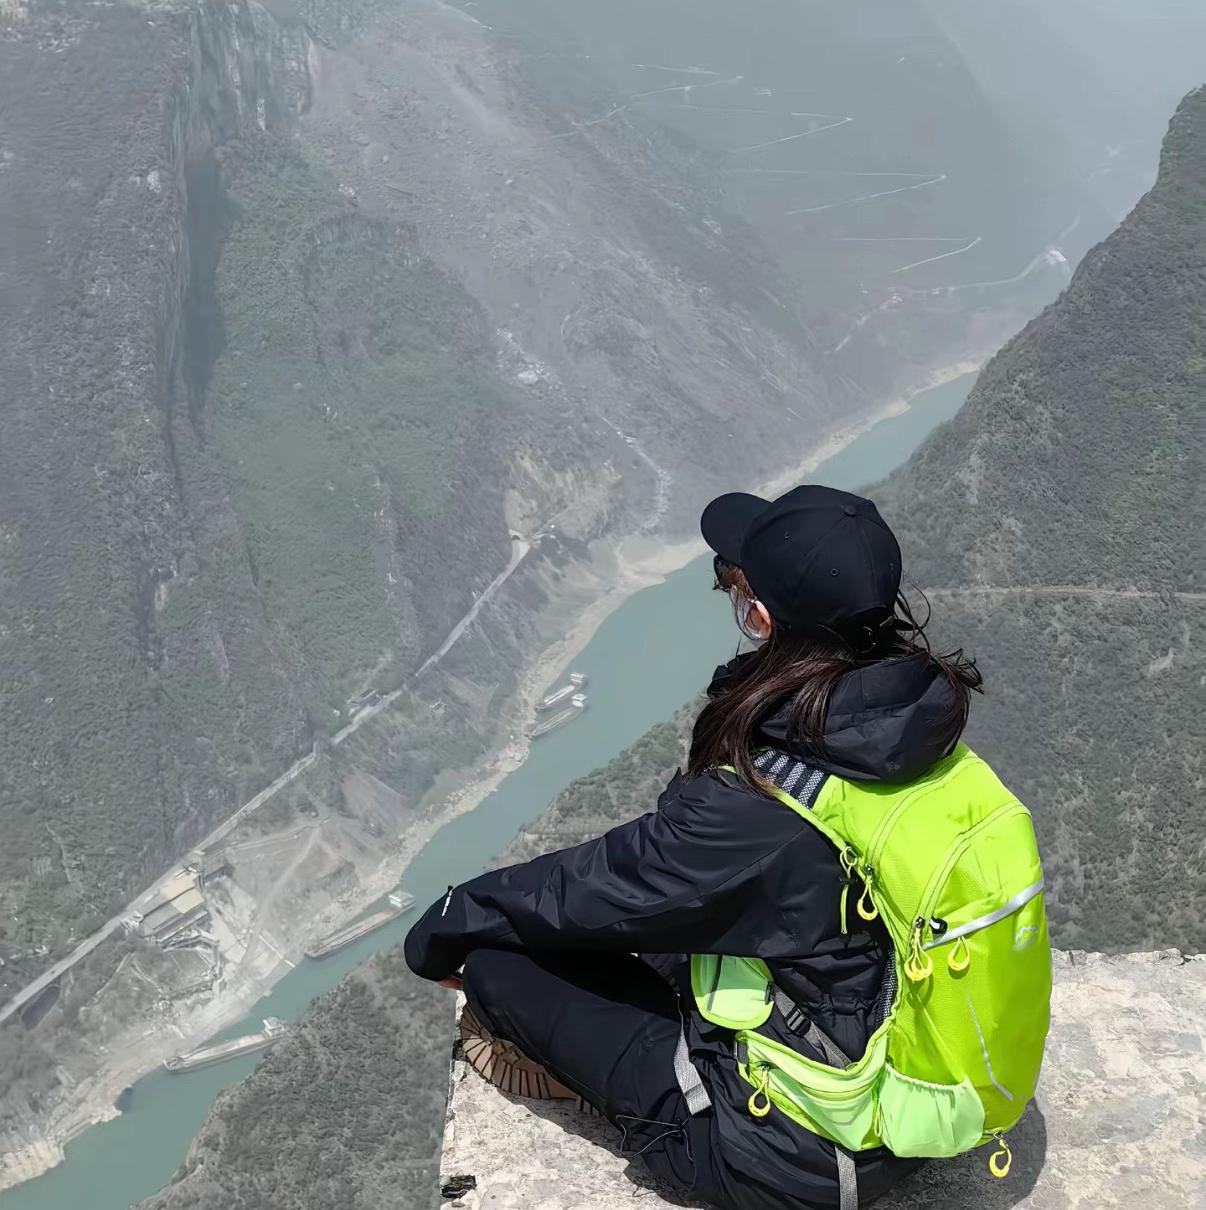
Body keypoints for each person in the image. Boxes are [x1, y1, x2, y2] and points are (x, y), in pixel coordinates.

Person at [405, 484, 1015, 1209]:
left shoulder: (765, 800)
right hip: (914, 1100)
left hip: (790, 1160)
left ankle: (626, 1091)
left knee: (499, 965)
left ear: (760, 616)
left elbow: (606, 885)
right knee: (652, 941)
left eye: (736, 584)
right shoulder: (913, 730)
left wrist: (448, 923)